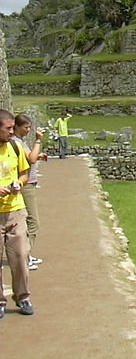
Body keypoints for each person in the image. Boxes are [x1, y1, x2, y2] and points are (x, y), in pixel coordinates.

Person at [0, 109, 34, 316]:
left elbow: (24, 174)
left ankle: (23, 297)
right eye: (8, 128)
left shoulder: (15, 146)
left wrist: (18, 184)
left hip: (15, 209)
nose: (12, 132)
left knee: (21, 256)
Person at [12, 115, 45, 271]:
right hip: (26, 185)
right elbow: (31, 159)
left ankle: (27, 255)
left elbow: (29, 157)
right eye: (26, 127)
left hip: (28, 183)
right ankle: (25, 256)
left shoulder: (19, 141)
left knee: (28, 222)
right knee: (33, 222)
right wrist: (38, 140)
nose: (28, 130)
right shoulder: (17, 141)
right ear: (17, 126)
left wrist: (37, 156)